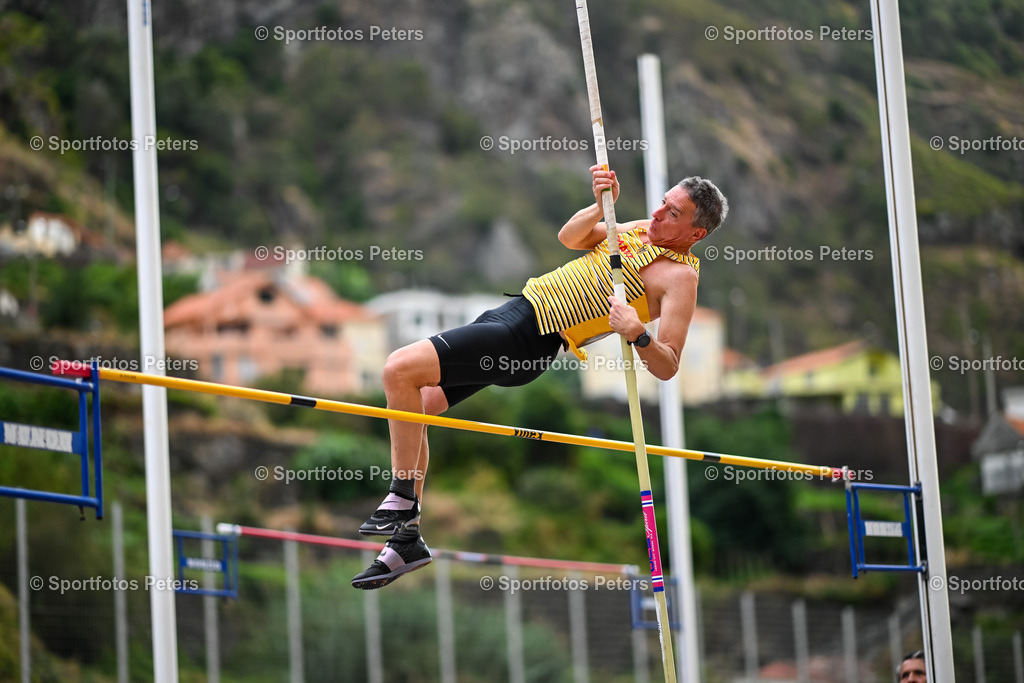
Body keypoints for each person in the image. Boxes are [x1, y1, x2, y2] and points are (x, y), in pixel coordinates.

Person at [351, 164, 728, 589]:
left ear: (696, 234)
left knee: (398, 368)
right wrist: (601, 204)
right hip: (512, 312)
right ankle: (407, 541)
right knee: (416, 409)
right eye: (663, 202)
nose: (659, 213)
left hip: (529, 339)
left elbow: (668, 365)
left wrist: (637, 332)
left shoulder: (681, 279)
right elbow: (570, 238)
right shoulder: (641, 228)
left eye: (673, 213)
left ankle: (401, 498)